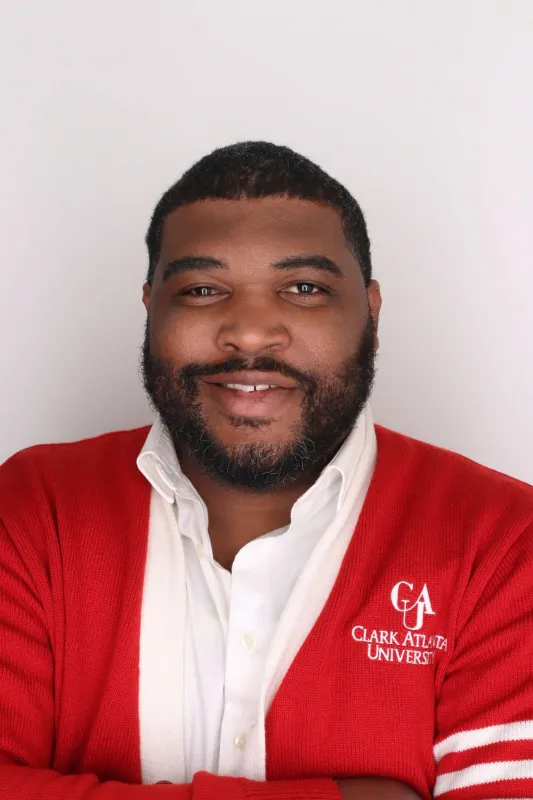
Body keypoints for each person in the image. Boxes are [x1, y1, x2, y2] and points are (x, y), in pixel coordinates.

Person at [0, 142, 532, 800]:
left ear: (369, 310)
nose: (250, 334)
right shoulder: (33, 509)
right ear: (150, 308)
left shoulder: (503, 540)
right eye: (201, 290)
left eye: (303, 289)